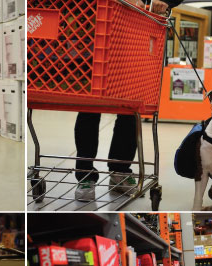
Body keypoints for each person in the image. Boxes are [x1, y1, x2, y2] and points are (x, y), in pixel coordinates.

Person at [74, 0, 181, 201]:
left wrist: (164, 1)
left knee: (131, 105)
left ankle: (119, 171)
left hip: (138, 29)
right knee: (89, 104)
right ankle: (85, 174)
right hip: (96, 27)